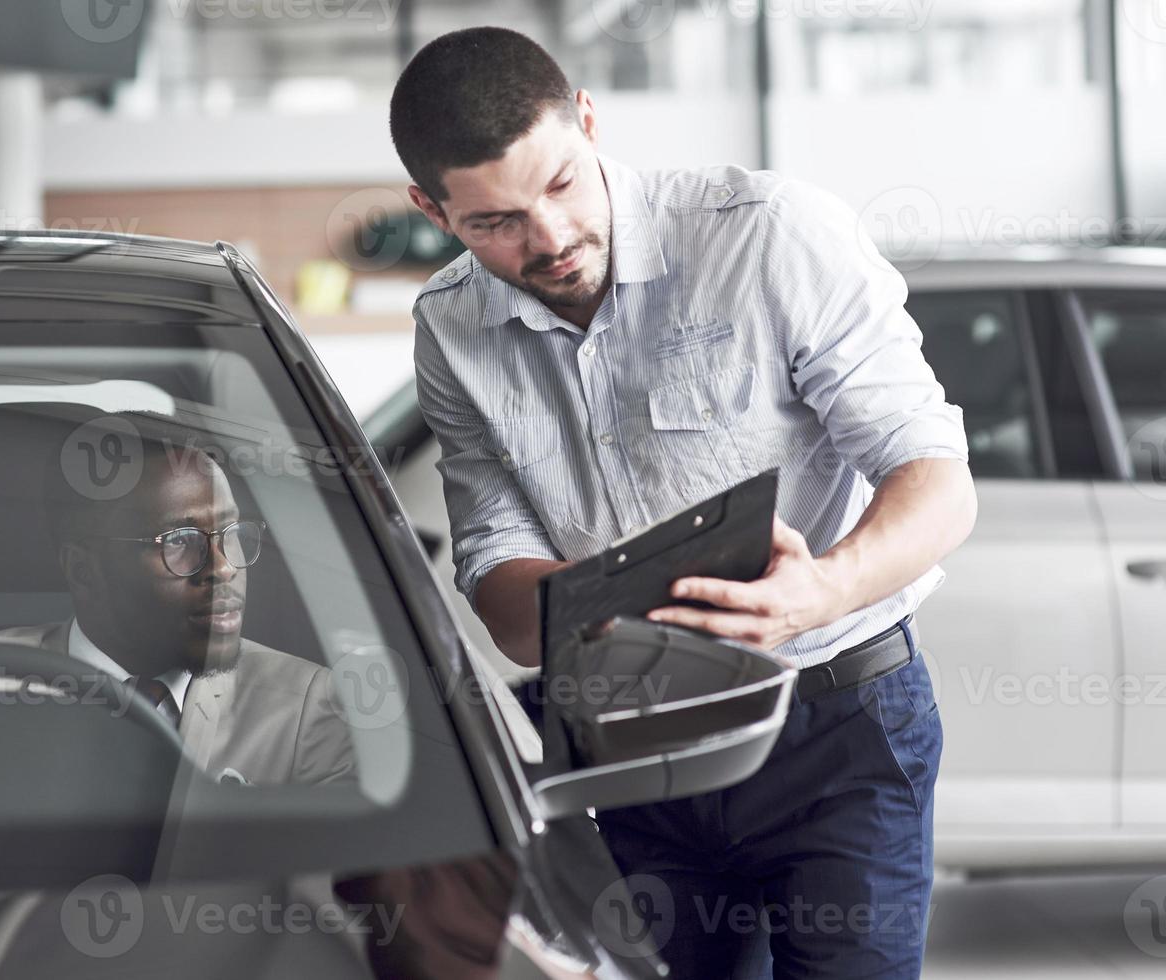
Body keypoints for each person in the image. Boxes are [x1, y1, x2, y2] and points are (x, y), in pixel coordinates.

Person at [390, 27, 976, 977]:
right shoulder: (451, 326)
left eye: (561, 184)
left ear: (587, 119)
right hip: (630, 747)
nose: (548, 239)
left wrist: (820, 590)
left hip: (835, 729)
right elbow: (499, 577)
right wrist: (614, 607)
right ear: (430, 207)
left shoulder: (768, 233)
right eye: (493, 221)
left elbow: (937, 475)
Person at [0, 411, 356, 788]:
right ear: (83, 568)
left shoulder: (305, 710)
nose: (223, 568)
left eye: (231, 534)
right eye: (180, 541)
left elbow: (319, 889)